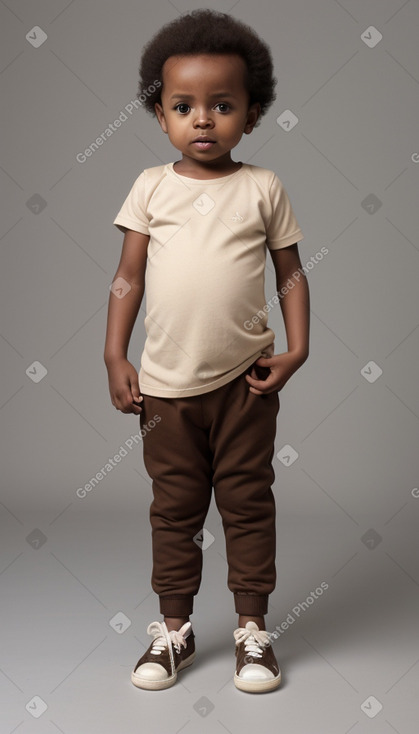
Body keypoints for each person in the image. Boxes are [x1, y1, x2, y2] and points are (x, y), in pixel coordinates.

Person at [104, 8, 310, 694]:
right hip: (165, 388)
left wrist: (298, 348)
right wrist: (115, 355)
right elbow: (127, 277)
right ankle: (174, 633)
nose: (202, 120)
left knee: (248, 503)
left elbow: (290, 276)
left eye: (221, 106)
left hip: (244, 381)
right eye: (183, 106)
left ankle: (253, 632)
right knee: (175, 509)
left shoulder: (262, 188)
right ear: (159, 115)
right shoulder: (150, 187)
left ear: (251, 115)